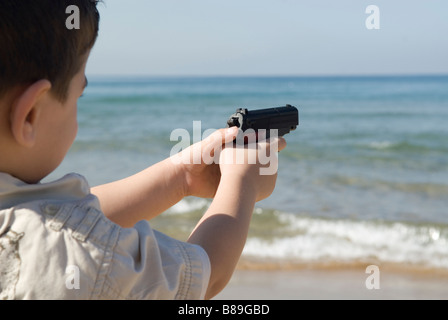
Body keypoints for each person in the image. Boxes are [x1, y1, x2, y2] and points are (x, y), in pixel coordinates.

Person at [0, 0, 286, 300]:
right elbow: (206, 277)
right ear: (30, 115)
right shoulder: (74, 259)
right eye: (77, 97)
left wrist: (181, 177)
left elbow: (64, 219)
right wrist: (244, 183)